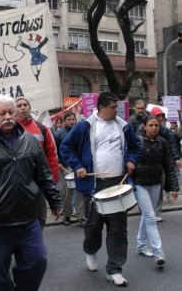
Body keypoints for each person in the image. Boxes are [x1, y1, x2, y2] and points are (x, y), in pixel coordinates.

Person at [0, 94, 62, 290]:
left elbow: (44, 175)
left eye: (10, 112)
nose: (7, 116)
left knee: (37, 262)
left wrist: (55, 201)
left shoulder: (30, 142)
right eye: (2, 113)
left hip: (28, 220)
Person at [60, 92, 141, 286]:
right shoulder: (85, 125)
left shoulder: (124, 125)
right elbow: (66, 148)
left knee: (118, 228)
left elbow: (136, 146)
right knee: (93, 225)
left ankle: (115, 268)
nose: (117, 110)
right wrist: (78, 166)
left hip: (118, 183)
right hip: (94, 185)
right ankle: (91, 250)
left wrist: (131, 160)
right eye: (113, 107)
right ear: (102, 107)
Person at [133, 115, 179, 268]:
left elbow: (168, 165)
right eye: (151, 125)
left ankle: (141, 245)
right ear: (144, 127)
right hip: (140, 184)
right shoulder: (137, 142)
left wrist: (174, 187)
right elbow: (129, 162)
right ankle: (159, 252)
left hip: (155, 183)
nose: (154, 128)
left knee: (147, 215)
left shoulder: (163, 142)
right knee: (151, 217)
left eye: (156, 125)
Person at [15, 96, 59, 227]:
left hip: (38, 182)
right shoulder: (9, 128)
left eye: (25, 105)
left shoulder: (43, 128)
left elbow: (51, 154)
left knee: (39, 219)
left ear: (30, 108)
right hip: (17, 182)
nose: (23, 107)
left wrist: (53, 179)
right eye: (19, 105)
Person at [149, 107, 181, 221]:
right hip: (147, 164)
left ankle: (156, 212)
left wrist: (176, 158)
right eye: (158, 116)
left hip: (162, 162)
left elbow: (172, 143)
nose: (160, 118)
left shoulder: (165, 132)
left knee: (159, 185)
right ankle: (146, 210)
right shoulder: (141, 130)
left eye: (161, 116)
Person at [54, 112, 85, 226]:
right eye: (69, 119)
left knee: (79, 192)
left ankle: (81, 216)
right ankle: (67, 215)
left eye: (73, 119)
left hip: (78, 166)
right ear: (65, 121)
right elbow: (55, 150)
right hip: (64, 167)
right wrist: (58, 162)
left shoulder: (80, 133)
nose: (72, 121)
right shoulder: (58, 134)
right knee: (65, 193)